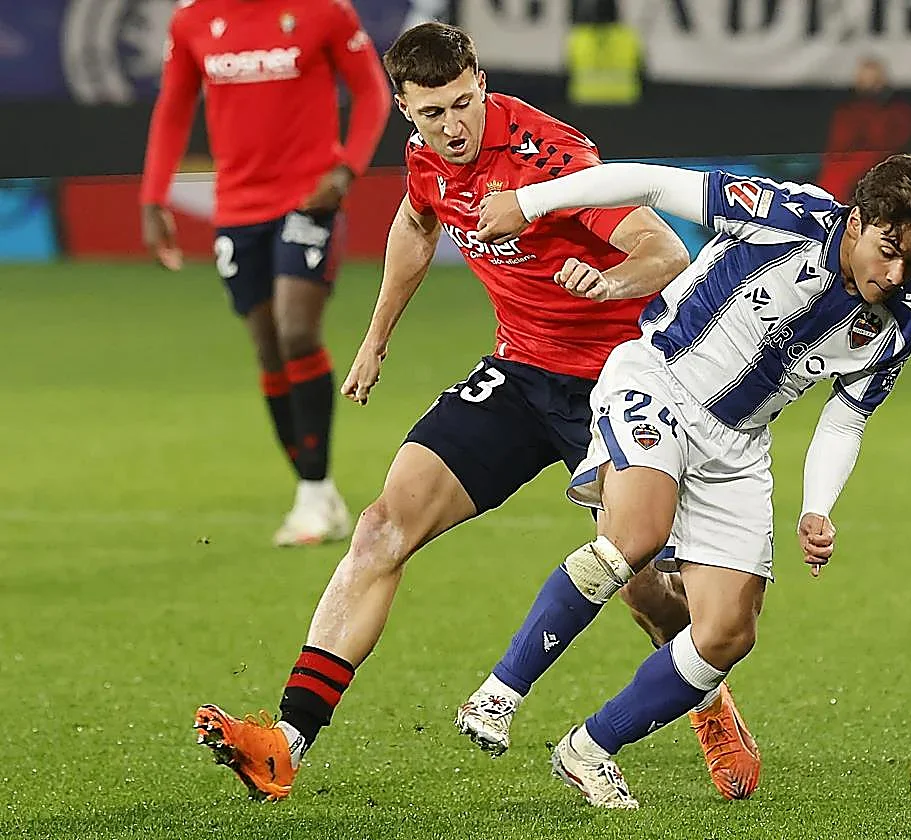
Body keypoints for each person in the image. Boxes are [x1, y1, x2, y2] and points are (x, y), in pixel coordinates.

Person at [191, 22, 763, 803]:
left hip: (619, 384)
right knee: (382, 526)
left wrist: (611, 282)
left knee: (641, 587)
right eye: (431, 114)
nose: (452, 127)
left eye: (463, 105)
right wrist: (375, 338)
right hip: (521, 372)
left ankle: (704, 697)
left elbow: (663, 250)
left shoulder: (549, 159)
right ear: (405, 110)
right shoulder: (428, 156)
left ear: (483, 83)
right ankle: (284, 742)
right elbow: (416, 222)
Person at [458, 153, 911, 808]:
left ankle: (587, 749)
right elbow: (649, 181)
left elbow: (845, 421)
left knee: (729, 632)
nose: (896, 273)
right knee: (636, 535)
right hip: (660, 381)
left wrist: (818, 507)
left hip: (737, 448)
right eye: (890, 249)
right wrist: (531, 204)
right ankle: (498, 695)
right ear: (858, 219)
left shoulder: (895, 327)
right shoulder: (784, 217)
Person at [140, 0, 392, 546]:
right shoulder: (192, 20)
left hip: (309, 198)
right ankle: (316, 492)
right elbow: (174, 107)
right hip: (236, 208)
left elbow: (373, 91)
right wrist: (153, 194)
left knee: (297, 331)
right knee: (268, 347)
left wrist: (347, 170)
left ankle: (313, 489)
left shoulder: (324, 11)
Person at [817, 56, 911, 203]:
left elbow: (893, 141)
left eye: (873, 79)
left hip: (884, 161)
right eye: (863, 79)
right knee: (835, 173)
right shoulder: (846, 111)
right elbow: (839, 144)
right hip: (848, 162)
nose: (868, 84)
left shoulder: (899, 111)